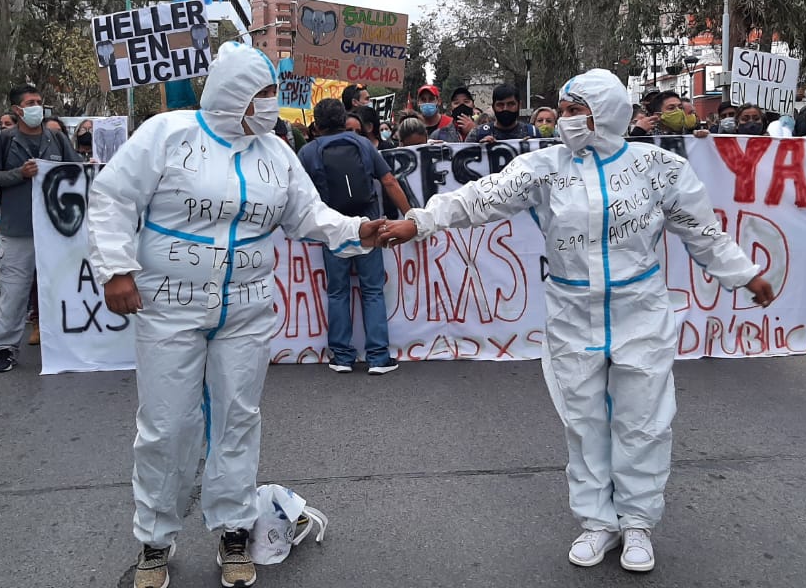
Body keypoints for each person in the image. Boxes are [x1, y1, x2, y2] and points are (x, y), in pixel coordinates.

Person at [376, 68, 774, 574]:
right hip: (572, 314)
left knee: (644, 423)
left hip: (640, 313)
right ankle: (597, 522)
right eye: (562, 111)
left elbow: (702, 231)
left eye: (573, 111)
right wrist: (420, 221)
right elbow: (480, 198)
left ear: (604, 113)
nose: (563, 121)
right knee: (584, 423)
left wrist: (743, 274)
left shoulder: (658, 168)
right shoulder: (544, 167)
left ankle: (637, 523)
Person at [85, 42, 385, 588]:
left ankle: (233, 530)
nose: (271, 104)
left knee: (239, 419)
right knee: (167, 425)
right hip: (169, 306)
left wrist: (355, 230)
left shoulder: (275, 152)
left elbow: (308, 215)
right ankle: (154, 539)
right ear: (233, 93)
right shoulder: (168, 134)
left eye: (272, 92)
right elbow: (111, 199)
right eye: (264, 92)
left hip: (246, 308)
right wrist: (116, 271)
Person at [299, 98, 412, 373]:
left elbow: (298, 195)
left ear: (315, 124)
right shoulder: (363, 144)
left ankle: (341, 356)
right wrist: (411, 216)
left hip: (333, 229)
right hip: (368, 225)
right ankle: (378, 357)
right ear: (344, 120)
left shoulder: (308, 151)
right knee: (372, 291)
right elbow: (389, 181)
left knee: (338, 292)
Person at [0, 85, 80, 373]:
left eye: (39, 101)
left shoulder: (57, 138)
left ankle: (70, 343)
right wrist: (19, 174)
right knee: (14, 291)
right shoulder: (4, 139)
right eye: (30, 102)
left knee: (63, 287)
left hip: (57, 228)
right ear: (17, 109)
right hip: (19, 229)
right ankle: (5, 347)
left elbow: (78, 170)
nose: (37, 106)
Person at [468, 84, 538, 143]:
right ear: (493, 107)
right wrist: (482, 150)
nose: (505, 109)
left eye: (511, 104)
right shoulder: (477, 134)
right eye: (500, 104)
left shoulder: (533, 133)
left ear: (519, 105)